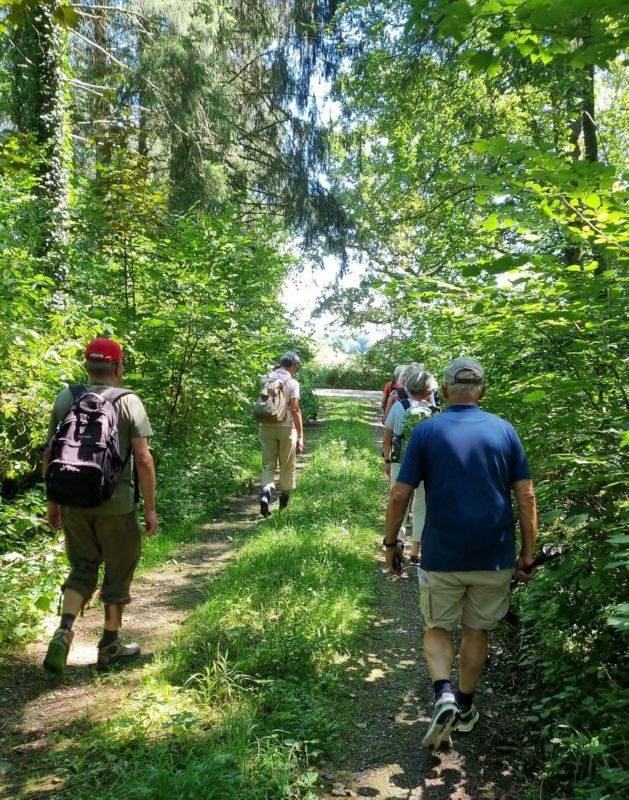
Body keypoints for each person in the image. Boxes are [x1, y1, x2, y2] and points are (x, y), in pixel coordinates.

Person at [383, 357, 537, 749]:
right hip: (494, 555)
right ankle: (466, 706)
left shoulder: (427, 432)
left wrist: (391, 543)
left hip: (443, 555)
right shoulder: (505, 432)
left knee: (437, 627)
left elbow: (400, 493)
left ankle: (444, 694)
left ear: (446, 392)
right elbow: (526, 495)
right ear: (482, 391)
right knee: (477, 629)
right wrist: (527, 553)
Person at [43, 338, 157, 674]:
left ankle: (64, 630)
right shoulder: (128, 401)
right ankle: (109, 644)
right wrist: (150, 508)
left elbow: (50, 454)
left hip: (73, 502)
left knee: (81, 568)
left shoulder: (67, 397)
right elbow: (143, 458)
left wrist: (53, 503)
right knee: (118, 573)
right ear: (119, 368)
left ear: (86, 366)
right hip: (116, 505)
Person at [382, 365, 437, 563]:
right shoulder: (435, 412)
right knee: (422, 506)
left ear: (407, 386)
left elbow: (387, 440)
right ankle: (416, 553)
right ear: (429, 390)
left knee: (399, 504)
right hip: (427, 466)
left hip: (401, 462)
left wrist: (388, 461)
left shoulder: (399, 406)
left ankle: (398, 543)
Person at [258, 351, 304, 517]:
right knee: (287, 464)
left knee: (268, 463)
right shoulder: (292, 383)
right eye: (296, 367)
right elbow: (295, 409)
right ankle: (283, 503)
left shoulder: (266, 378)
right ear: (292, 366)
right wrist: (300, 435)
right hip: (286, 427)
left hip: (265, 425)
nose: (296, 371)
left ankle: (265, 493)